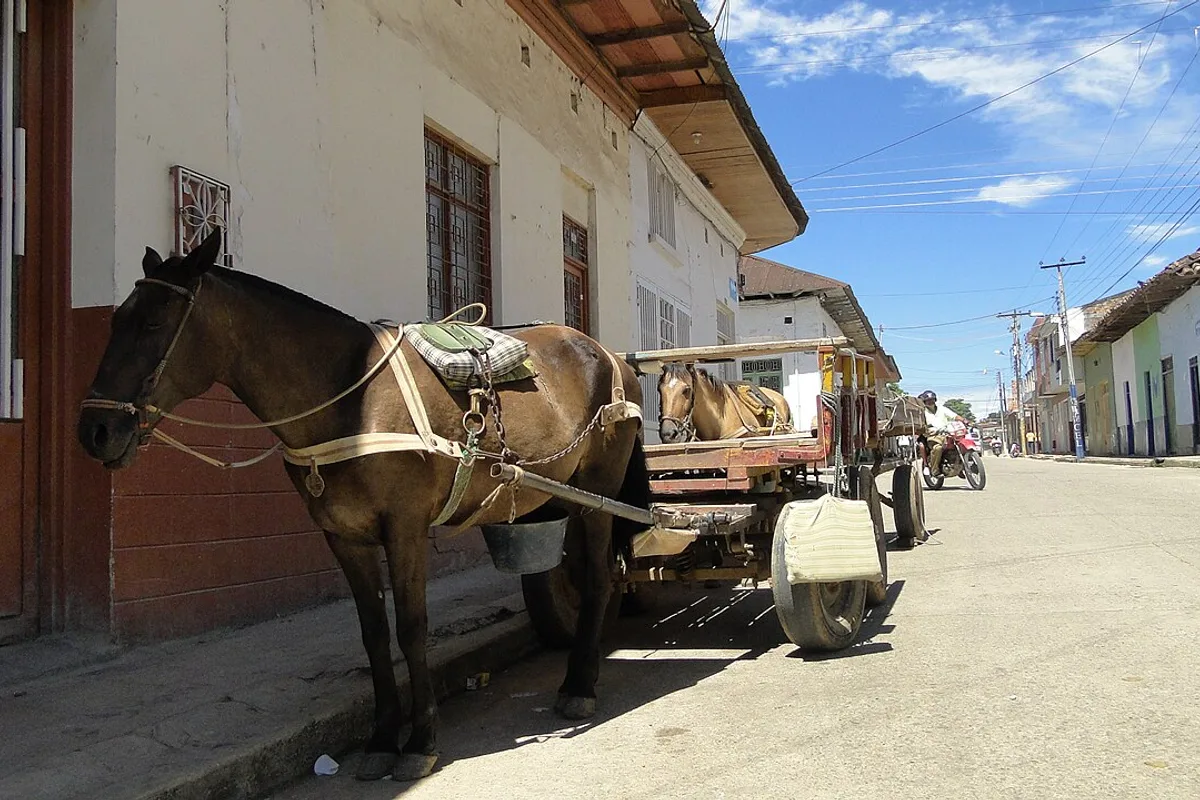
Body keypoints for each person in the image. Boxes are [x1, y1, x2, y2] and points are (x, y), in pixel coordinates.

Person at [918, 390, 963, 477]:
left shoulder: (942, 409)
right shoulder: (922, 412)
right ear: (924, 402)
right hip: (932, 436)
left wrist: (964, 420)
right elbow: (921, 425)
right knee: (937, 448)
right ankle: (935, 470)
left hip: (947, 433)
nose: (930, 402)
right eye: (928, 400)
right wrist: (927, 429)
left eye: (932, 399)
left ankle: (962, 466)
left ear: (935, 400)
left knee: (960, 442)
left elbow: (954, 416)